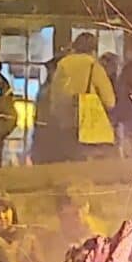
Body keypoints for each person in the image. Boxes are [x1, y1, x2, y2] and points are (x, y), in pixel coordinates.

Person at [35, 31, 116, 164]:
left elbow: (54, 100)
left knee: (71, 165)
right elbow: (110, 101)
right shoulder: (93, 66)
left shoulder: (62, 65)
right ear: (94, 49)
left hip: (66, 126)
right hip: (90, 127)